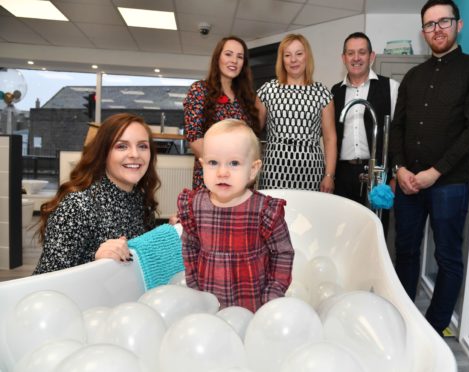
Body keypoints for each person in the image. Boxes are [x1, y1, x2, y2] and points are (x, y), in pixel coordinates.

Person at [389, 0, 469, 336]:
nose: (437, 29)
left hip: (449, 183)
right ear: (423, 32)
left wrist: (435, 172)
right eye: (429, 24)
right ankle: (405, 320)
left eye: (443, 22)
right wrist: (399, 168)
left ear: (458, 25)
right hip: (408, 183)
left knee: (448, 257)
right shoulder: (412, 76)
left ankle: (433, 329)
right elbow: (398, 128)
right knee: (405, 250)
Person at [177, 119, 294, 312]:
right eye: (213, 163)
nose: (222, 172)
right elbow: (190, 247)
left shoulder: (265, 211)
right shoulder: (194, 206)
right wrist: (194, 287)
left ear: (253, 170)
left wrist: (272, 296)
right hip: (208, 303)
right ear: (202, 165)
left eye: (234, 163)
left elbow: (283, 254)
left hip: (253, 304)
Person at [34, 113, 161, 274]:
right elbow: (49, 276)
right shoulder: (77, 205)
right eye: (122, 146)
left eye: (143, 146)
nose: (135, 154)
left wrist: (169, 232)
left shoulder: (140, 198)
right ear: (104, 153)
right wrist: (95, 259)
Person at [332, 32, 399, 237]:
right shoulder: (334, 92)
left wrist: (394, 176)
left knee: (373, 234)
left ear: (372, 56)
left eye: (362, 52)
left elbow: (398, 133)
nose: (356, 58)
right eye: (350, 53)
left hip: (378, 174)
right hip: (343, 174)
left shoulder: (391, 87)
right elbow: (329, 137)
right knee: (342, 233)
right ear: (344, 58)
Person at [257, 34, 336, 192]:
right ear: (282, 59)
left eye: (299, 54)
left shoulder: (322, 93)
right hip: (274, 170)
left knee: (308, 216)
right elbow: (252, 133)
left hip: (311, 172)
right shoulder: (267, 90)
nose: (293, 60)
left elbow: (330, 138)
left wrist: (329, 175)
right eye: (287, 55)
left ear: (307, 56)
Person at [183, 36, 262, 190]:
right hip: (212, 178)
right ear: (217, 57)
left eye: (240, 57)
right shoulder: (199, 90)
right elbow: (194, 137)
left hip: (241, 180)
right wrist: (221, 168)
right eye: (228, 54)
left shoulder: (247, 98)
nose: (234, 60)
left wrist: (243, 172)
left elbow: (251, 141)